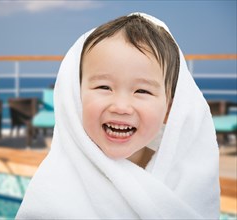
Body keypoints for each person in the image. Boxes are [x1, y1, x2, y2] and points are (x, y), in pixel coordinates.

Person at [16, 13, 220, 219]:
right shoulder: (53, 188)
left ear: (170, 109)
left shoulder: (187, 179)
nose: (121, 107)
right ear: (76, 98)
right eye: (104, 87)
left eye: (142, 91)